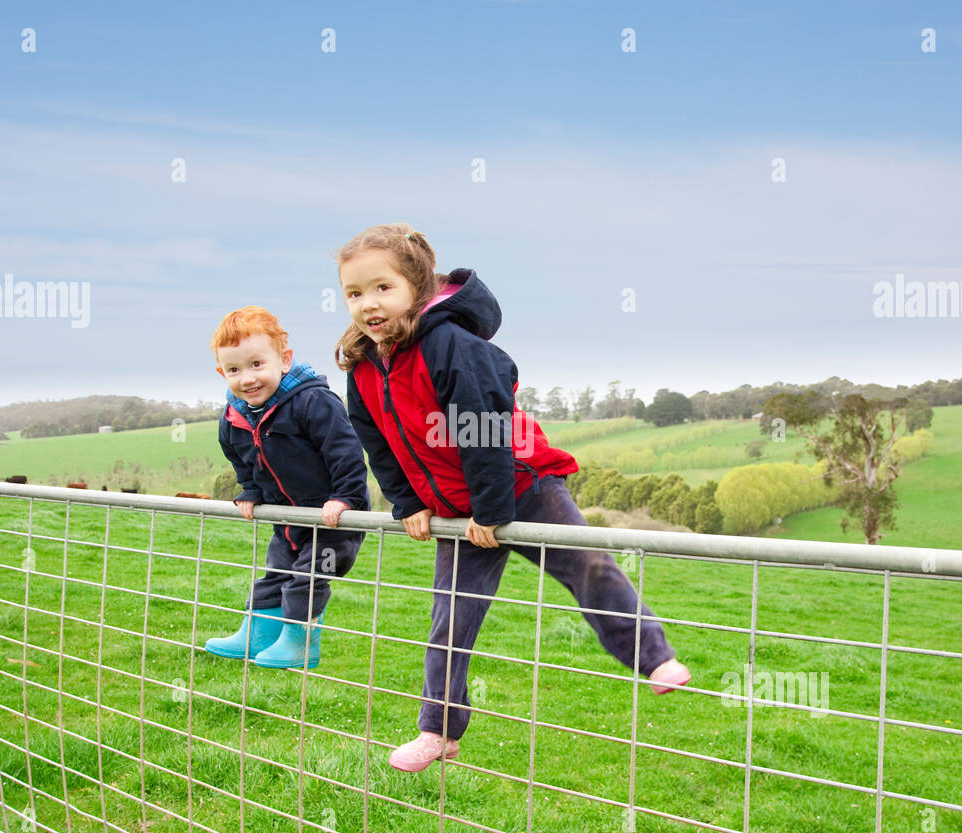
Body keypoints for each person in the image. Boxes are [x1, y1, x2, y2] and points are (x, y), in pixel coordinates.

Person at [335, 223, 690, 772]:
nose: (368, 304)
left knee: (589, 566)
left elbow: (484, 431)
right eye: (354, 293)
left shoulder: (450, 345)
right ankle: (439, 731)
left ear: (417, 284)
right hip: (459, 510)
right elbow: (378, 445)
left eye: (382, 288)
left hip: (523, 485)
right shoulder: (363, 368)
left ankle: (654, 658)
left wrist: (493, 509)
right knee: (450, 616)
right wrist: (409, 504)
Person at [208, 306, 368, 669]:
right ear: (222, 373)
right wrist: (250, 490)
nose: (247, 378)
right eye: (234, 370)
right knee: (275, 571)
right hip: (289, 518)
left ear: (284, 360)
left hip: (332, 520)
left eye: (256, 364)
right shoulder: (233, 419)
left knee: (307, 576)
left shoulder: (312, 401)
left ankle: (300, 642)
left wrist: (346, 498)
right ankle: (258, 634)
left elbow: (344, 450)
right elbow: (242, 461)